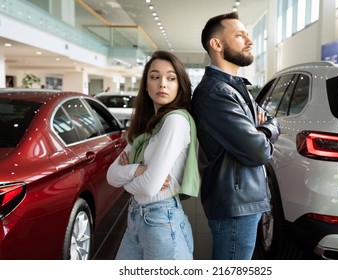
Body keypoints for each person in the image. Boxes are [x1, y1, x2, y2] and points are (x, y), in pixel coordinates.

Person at [191, 12, 280, 260]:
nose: (250, 41)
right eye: (240, 36)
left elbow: (273, 120)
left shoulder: (235, 87)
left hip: (243, 200)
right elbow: (257, 151)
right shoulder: (215, 92)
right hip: (234, 205)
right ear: (216, 44)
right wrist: (263, 131)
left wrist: (265, 128)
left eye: (248, 35)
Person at [107, 50, 200, 260]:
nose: (162, 84)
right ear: (146, 85)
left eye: (171, 78)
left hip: (162, 220)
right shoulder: (147, 126)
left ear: (180, 85)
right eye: (155, 77)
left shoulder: (175, 121)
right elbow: (111, 175)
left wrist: (127, 180)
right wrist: (138, 170)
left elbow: (149, 187)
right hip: (135, 217)